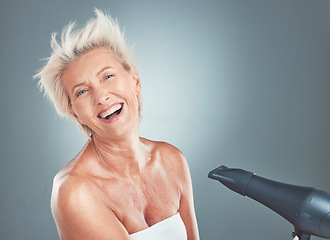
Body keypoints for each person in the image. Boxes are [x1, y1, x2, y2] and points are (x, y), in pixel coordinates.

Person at [35, 9, 199, 240]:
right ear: (74, 112)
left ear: (135, 80)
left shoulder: (172, 160)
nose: (101, 97)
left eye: (107, 76)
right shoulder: (76, 191)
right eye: (82, 91)